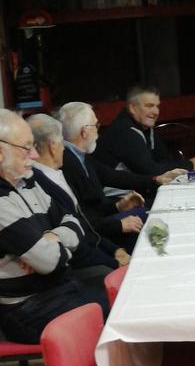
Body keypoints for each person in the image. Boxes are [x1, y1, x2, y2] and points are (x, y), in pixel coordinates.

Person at [0, 109, 107, 343]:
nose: (35, 155)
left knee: (121, 297)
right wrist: (56, 245)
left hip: (58, 288)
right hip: (26, 309)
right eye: (26, 147)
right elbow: (50, 262)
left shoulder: (26, 181)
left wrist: (52, 239)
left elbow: (73, 221)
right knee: (115, 312)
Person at [29, 113, 129, 278]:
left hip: (93, 251)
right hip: (74, 266)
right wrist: (112, 262)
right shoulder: (40, 183)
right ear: (53, 146)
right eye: (62, 142)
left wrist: (114, 250)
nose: (64, 148)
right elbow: (73, 242)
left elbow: (84, 226)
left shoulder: (55, 174)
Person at [59, 101, 146, 249]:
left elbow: (97, 202)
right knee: (147, 217)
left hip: (100, 225)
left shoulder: (79, 156)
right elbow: (84, 219)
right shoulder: (67, 163)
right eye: (96, 125)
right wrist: (119, 224)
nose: (98, 132)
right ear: (84, 131)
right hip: (93, 237)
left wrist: (118, 206)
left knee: (146, 212)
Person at [96, 85, 195, 180]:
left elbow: (164, 160)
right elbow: (151, 171)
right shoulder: (123, 132)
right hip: (117, 196)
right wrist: (190, 164)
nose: (155, 112)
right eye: (149, 106)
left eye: (157, 106)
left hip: (137, 189)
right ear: (132, 108)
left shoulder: (145, 127)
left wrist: (185, 166)